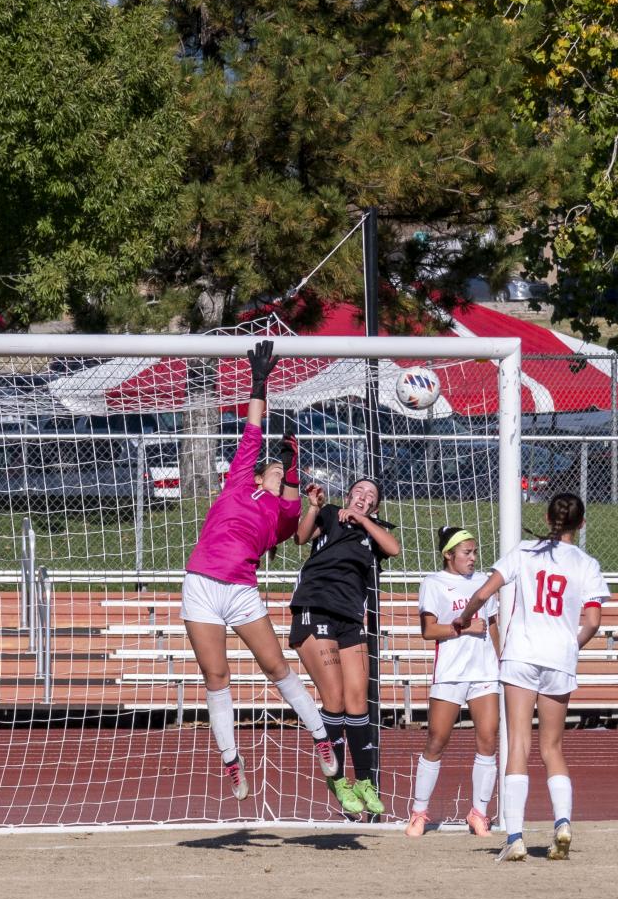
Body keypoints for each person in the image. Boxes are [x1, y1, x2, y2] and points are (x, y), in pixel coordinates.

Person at [181, 339, 340, 799]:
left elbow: (295, 509)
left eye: (282, 472)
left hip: (240, 590)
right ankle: (232, 760)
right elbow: (252, 429)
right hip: (201, 585)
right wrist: (258, 381)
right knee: (216, 676)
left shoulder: (280, 516)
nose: (278, 471)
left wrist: (293, 470)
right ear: (256, 475)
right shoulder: (237, 482)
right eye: (272, 469)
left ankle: (320, 737)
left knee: (275, 666)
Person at [453, 491, 608, 862]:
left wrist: (463, 617)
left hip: (521, 654)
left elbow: (484, 592)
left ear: (546, 517)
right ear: (581, 524)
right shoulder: (587, 564)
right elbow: (593, 620)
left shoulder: (524, 552)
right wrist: (572, 646)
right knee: (552, 747)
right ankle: (563, 823)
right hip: (559, 658)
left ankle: (516, 835)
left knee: (518, 743)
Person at [291, 475, 401, 818]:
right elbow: (300, 536)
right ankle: (337, 779)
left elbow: (394, 548)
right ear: (348, 495)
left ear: (374, 506)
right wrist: (314, 507)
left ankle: (365, 781)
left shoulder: (371, 532)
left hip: (351, 619)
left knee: (358, 703)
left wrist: (365, 521)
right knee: (334, 700)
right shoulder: (331, 514)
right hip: (316, 607)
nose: (363, 496)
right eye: (358, 491)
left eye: (370, 494)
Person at [406, 526, 500, 837]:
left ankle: (479, 813)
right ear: (449, 555)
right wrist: (464, 629)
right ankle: (419, 812)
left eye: (474, 552)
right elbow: (429, 631)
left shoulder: (485, 582)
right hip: (451, 672)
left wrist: (502, 661)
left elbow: (494, 627)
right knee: (437, 739)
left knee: (488, 739)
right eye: (466, 553)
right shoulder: (434, 584)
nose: (473, 558)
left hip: (485, 672)